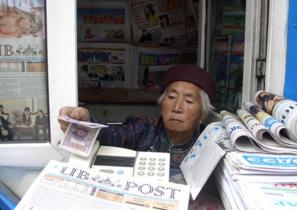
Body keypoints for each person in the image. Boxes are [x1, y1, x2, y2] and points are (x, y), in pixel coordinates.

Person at [59, 64, 215, 183]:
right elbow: (112, 134)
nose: (177, 107)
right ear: (162, 104)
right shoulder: (143, 130)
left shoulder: (210, 145)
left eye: (188, 100)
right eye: (171, 97)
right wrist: (85, 122)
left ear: (203, 113)